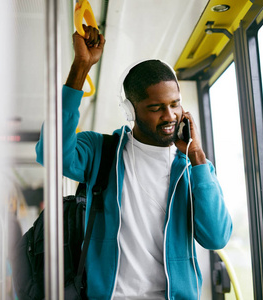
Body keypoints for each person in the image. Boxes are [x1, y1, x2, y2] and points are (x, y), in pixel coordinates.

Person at [36, 25, 232, 300]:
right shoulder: (101, 151)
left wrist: (198, 156)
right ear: (131, 109)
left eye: (175, 104)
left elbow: (215, 237)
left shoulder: (191, 169)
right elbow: (50, 153)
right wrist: (80, 68)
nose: (170, 115)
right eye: (156, 107)